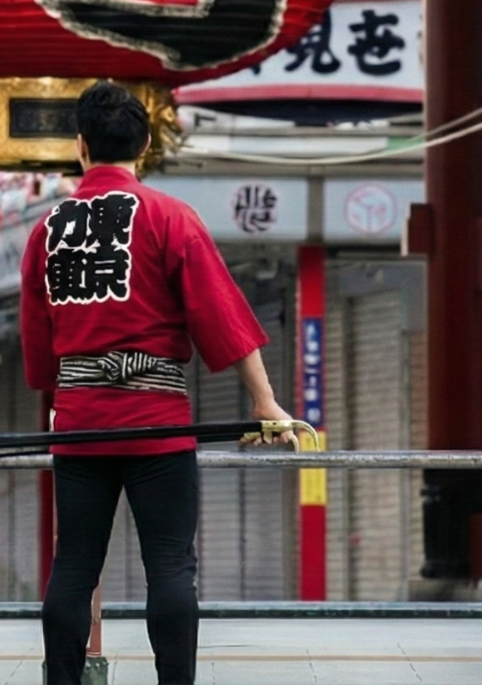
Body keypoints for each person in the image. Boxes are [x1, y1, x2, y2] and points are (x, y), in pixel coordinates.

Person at [20, 82, 294, 685]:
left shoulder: (49, 230)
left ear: (81, 146)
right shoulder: (171, 218)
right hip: (158, 423)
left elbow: (40, 351)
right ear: (145, 143)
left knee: (73, 568)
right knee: (170, 567)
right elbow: (221, 316)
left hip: (82, 424)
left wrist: (61, 398)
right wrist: (264, 401)